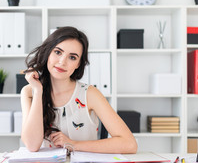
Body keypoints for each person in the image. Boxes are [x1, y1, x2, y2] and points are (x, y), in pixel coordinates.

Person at [20, 26, 137, 154]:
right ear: (48, 52)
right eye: (58, 52)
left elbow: (129, 144)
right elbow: (32, 145)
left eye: (72, 57)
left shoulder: (90, 94)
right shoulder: (29, 92)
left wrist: (74, 144)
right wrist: (38, 91)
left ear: (78, 64)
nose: (62, 62)